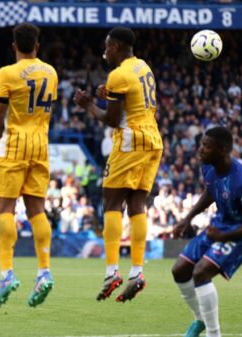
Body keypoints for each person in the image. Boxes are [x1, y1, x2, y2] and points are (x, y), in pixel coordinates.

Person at [73, 27, 163, 302]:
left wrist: (89, 105)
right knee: (137, 205)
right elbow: (131, 100)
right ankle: (137, 270)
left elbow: (112, 119)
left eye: (107, 46)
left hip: (129, 141)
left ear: (116, 47)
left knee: (111, 204)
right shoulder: (143, 67)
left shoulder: (118, 74)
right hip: (152, 140)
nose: (105, 51)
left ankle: (112, 270)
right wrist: (108, 94)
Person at [171, 127, 242, 337]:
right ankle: (200, 319)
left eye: (206, 146)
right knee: (179, 270)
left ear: (222, 150)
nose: (200, 150)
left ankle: (214, 334)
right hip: (221, 223)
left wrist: (223, 237)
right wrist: (188, 218)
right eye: (202, 145)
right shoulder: (209, 167)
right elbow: (210, 190)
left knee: (201, 272)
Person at [0, 23, 57, 308]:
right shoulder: (51, 72)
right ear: (37, 46)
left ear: (14, 45)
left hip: (15, 142)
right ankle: (44, 272)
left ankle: (7, 274)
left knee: (5, 209)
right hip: (41, 143)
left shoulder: (7, 73)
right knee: (36, 210)